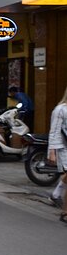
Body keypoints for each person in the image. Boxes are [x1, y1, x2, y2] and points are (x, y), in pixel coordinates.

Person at [47, 86, 67, 223]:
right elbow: (54, 131)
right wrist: (52, 151)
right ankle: (65, 212)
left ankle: (56, 194)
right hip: (63, 148)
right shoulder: (60, 110)